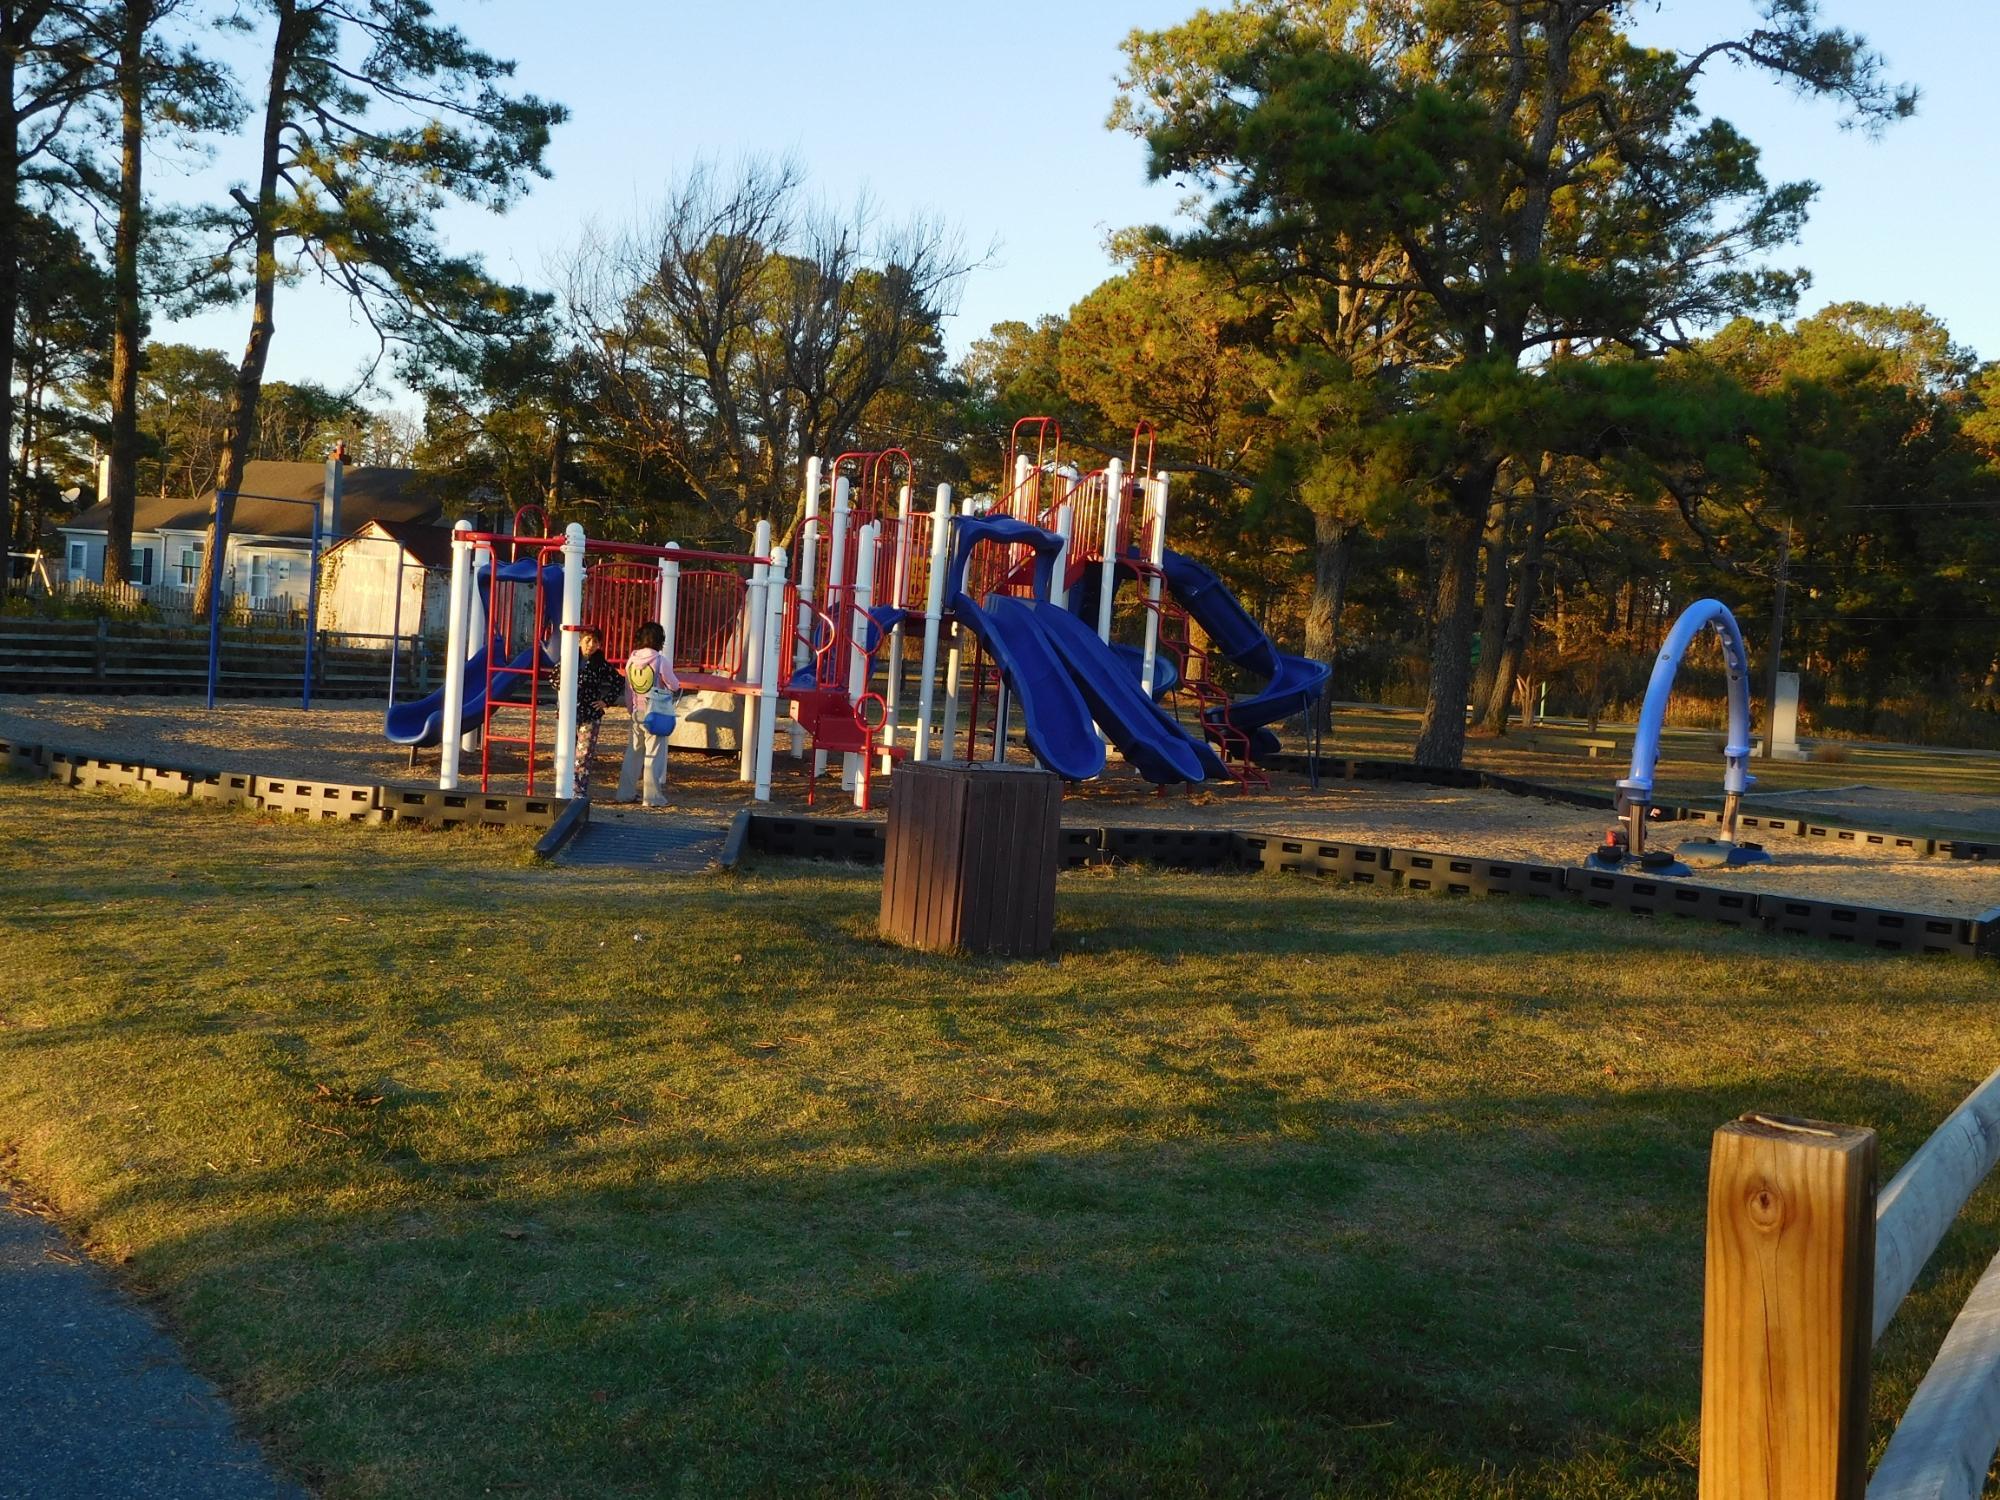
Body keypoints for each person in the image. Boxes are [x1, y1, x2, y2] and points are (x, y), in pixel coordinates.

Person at [617, 621, 678, 807]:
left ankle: (625, 793)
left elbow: (628, 689)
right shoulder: (660, 660)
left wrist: (631, 708)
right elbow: (674, 685)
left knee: (633, 754)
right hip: (655, 713)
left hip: (636, 712)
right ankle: (652, 797)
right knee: (654, 755)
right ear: (660, 641)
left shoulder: (631, 660)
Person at [571, 625, 625, 797]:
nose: (591, 645)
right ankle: (567, 786)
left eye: (595, 642)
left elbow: (618, 682)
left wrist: (605, 701)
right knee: (569, 750)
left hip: (590, 713)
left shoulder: (600, 664)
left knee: (584, 753)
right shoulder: (570, 658)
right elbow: (555, 677)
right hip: (570, 711)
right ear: (580, 641)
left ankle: (579, 789)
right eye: (588, 640)